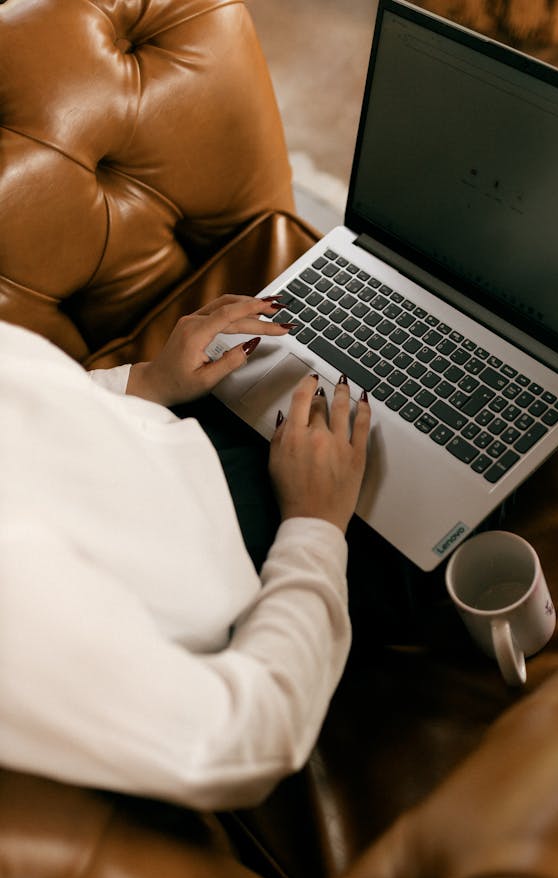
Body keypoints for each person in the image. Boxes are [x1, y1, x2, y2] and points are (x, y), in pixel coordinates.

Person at [0, 296, 370, 811]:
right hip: (272, 579)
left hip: (166, 429)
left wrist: (146, 383)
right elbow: (240, 739)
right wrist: (317, 523)